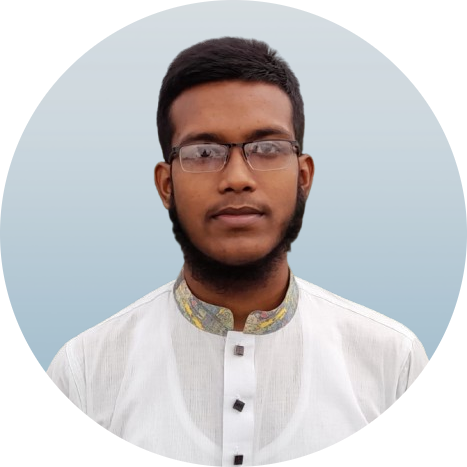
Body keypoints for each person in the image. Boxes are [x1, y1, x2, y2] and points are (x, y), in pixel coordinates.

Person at [47, 37, 428, 465]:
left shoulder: (393, 362)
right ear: (166, 185)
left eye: (266, 148)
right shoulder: (85, 372)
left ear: (303, 178)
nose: (237, 179)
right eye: (204, 152)